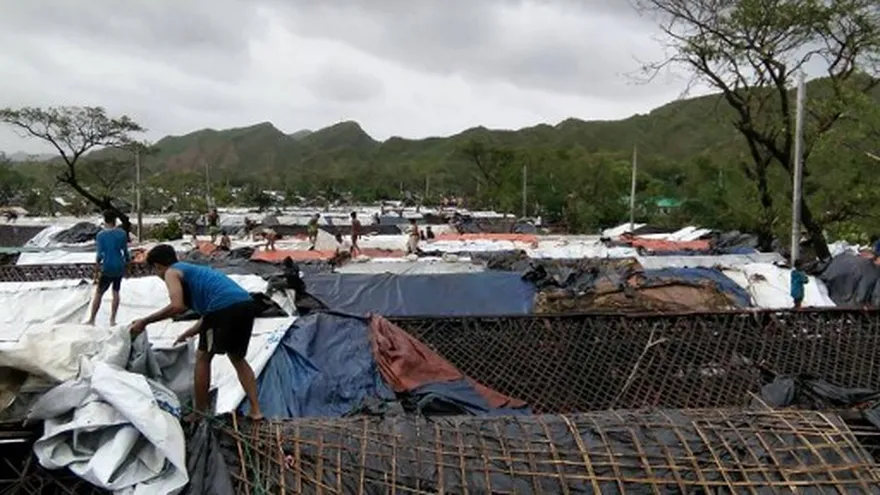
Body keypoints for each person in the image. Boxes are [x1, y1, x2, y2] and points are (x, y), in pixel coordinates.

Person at [129, 244, 263, 420]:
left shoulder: (171, 272)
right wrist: (189, 332)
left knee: (203, 358)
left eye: (154, 270)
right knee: (237, 358)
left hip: (223, 308)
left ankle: (200, 412)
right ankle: (256, 410)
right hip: (245, 305)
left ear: (158, 266)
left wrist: (144, 322)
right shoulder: (192, 270)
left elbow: (177, 306)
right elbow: (208, 314)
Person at [87, 211, 131, 326]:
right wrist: (128, 262)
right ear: (115, 221)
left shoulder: (101, 235)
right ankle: (112, 320)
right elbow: (125, 251)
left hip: (107, 266)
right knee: (116, 291)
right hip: (119, 265)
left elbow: (99, 255)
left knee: (99, 293)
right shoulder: (122, 234)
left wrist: (96, 268)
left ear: (104, 220)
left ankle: (92, 319)